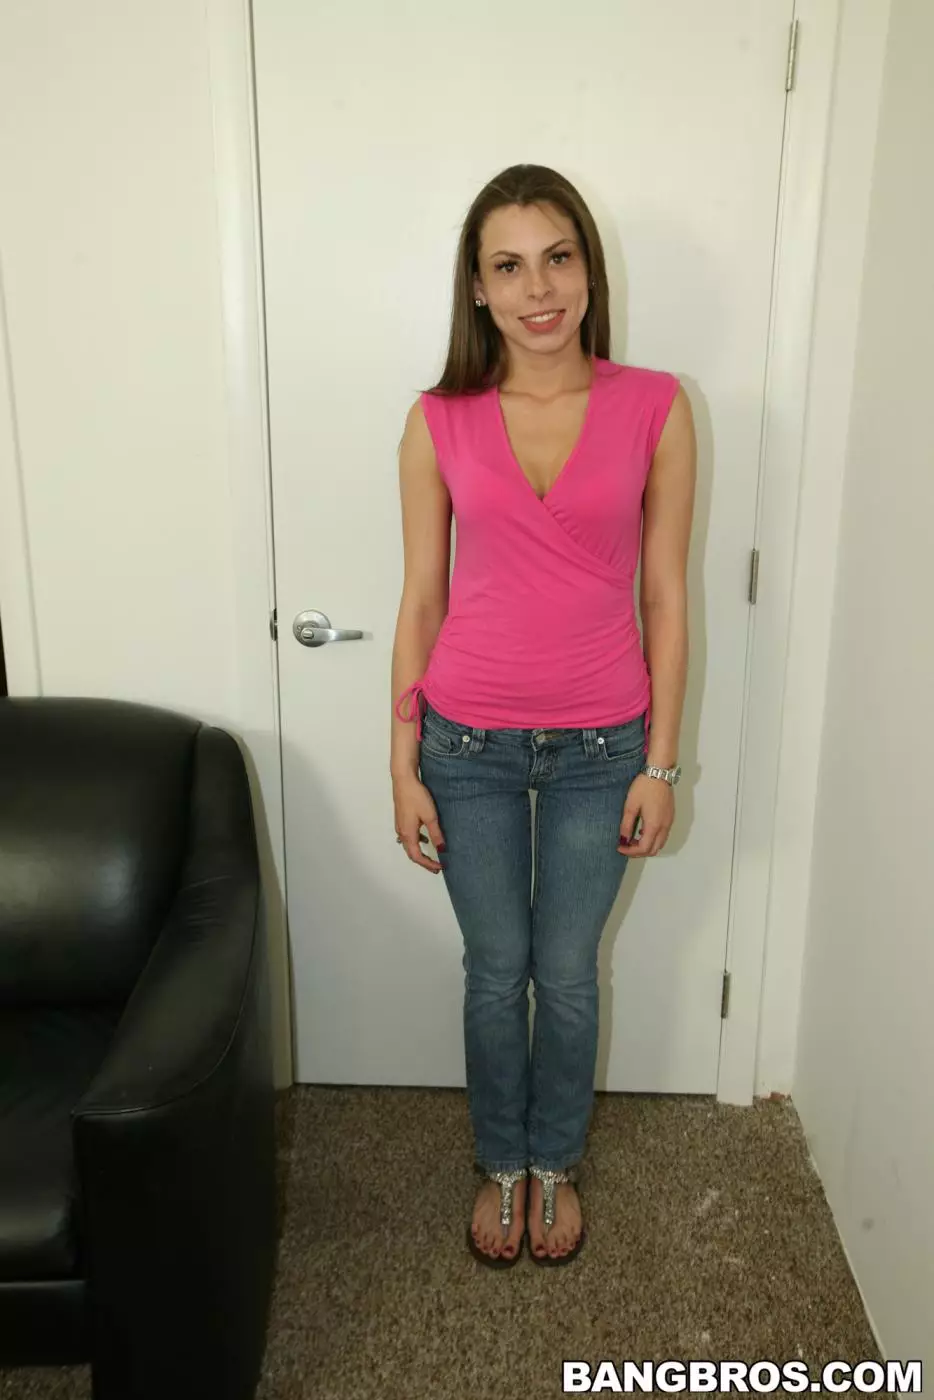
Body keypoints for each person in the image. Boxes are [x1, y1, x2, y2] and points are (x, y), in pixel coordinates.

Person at [390, 164, 696, 1268]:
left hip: (603, 749)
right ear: (477, 287)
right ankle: (502, 1159)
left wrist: (661, 763)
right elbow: (421, 599)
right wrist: (402, 762)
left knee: (565, 972)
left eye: (557, 258)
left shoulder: (655, 406)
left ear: (587, 269)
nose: (539, 289)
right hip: (464, 743)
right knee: (494, 969)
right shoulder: (439, 420)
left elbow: (666, 596)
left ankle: (553, 1159)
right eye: (509, 266)